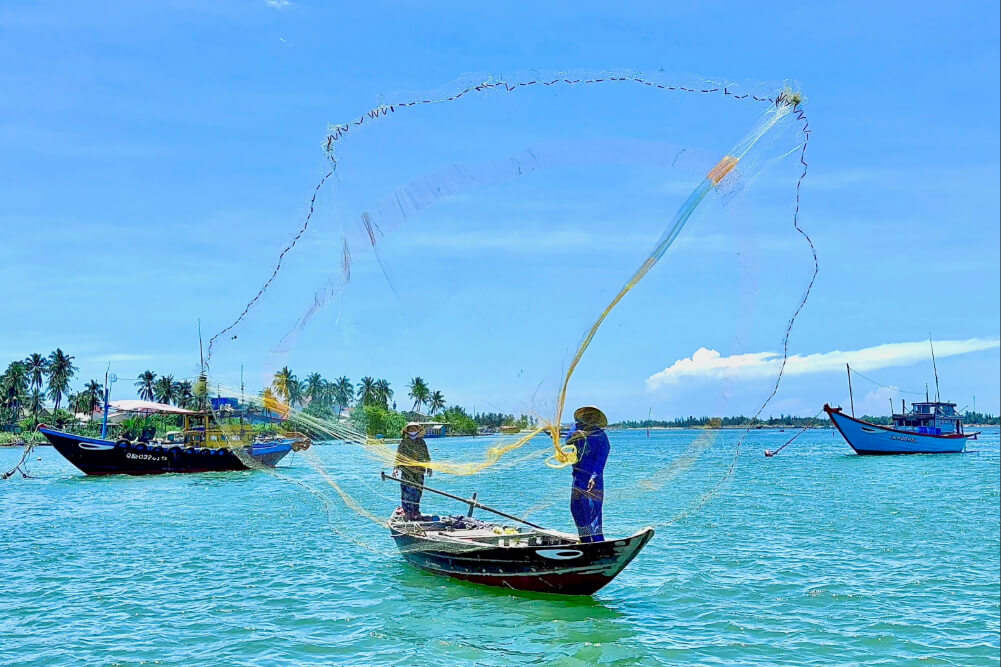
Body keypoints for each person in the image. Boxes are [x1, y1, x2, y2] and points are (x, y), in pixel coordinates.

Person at [565, 405, 609, 543]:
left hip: (594, 480)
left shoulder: (600, 435)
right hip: (578, 477)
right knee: (577, 507)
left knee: (593, 510)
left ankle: (598, 541)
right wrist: (574, 435)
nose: (589, 417)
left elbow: (601, 458)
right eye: (587, 414)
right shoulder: (575, 429)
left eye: (592, 415)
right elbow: (567, 442)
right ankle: (585, 540)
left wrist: (594, 476)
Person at [393, 422, 431, 520]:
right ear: (407, 431)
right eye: (411, 429)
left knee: (417, 492)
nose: (413, 431)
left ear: (418, 430)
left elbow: (426, 456)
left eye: (415, 429)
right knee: (406, 492)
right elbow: (398, 457)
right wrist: (395, 469)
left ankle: (415, 511)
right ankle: (407, 512)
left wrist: (429, 468)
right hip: (407, 472)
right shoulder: (403, 443)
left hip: (419, 472)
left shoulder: (421, 442)